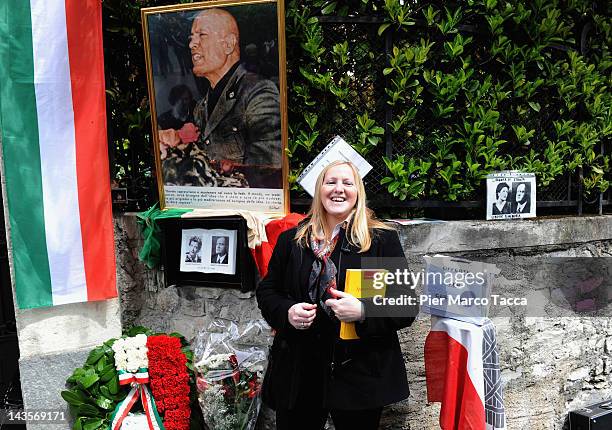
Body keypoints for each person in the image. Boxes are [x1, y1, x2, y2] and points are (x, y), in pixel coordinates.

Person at [256, 161, 416, 430]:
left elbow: (405, 304)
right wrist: (287, 311)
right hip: (299, 372)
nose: (338, 189)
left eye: (347, 183)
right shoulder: (292, 240)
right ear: (320, 190)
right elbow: (268, 291)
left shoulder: (378, 241)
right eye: (331, 182)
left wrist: (363, 311)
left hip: (359, 373)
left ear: (358, 191)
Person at [188, 8, 281, 170]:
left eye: (202, 35)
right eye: (191, 38)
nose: (191, 44)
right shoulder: (200, 107)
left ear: (229, 44)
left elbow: (267, 170)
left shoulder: (258, 92)